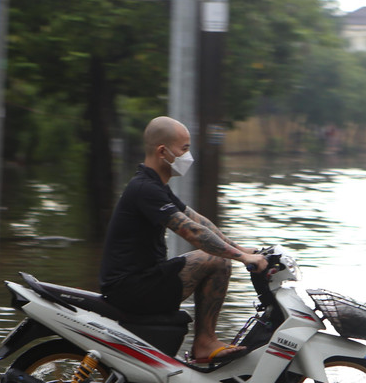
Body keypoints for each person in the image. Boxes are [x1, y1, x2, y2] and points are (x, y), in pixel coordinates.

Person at [100, 116, 268, 365]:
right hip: (130, 288)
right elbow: (192, 233)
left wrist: (241, 248)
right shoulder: (145, 189)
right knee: (216, 261)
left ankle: (205, 342)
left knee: (220, 256)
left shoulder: (155, 186)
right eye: (185, 148)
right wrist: (242, 258)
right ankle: (205, 342)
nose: (188, 155)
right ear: (163, 151)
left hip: (141, 280)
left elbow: (198, 221)